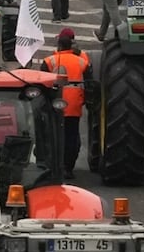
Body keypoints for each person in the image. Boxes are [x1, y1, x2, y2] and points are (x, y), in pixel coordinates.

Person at [41, 28, 92, 179]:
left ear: (59, 46)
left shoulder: (49, 61)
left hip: (54, 106)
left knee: (53, 137)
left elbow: (41, 82)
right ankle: (68, 168)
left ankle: (54, 166)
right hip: (74, 107)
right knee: (72, 138)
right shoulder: (82, 61)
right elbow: (89, 83)